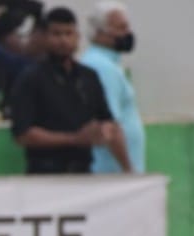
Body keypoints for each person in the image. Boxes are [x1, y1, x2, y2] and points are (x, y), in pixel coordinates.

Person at [9, 7, 130, 174]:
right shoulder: (31, 78)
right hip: (45, 174)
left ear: (77, 37)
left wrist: (127, 168)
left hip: (83, 172)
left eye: (68, 33)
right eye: (56, 34)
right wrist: (75, 139)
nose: (63, 40)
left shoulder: (89, 77)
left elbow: (107, 122)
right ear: (45, 37)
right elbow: (23, 134)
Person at [80, 1, 144, 174]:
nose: (127, 34)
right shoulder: (102, 68)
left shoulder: (107, 64)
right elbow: (110, 127)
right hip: (111, 171)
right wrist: (128, 169)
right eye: (121, 28)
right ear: (100, 32)